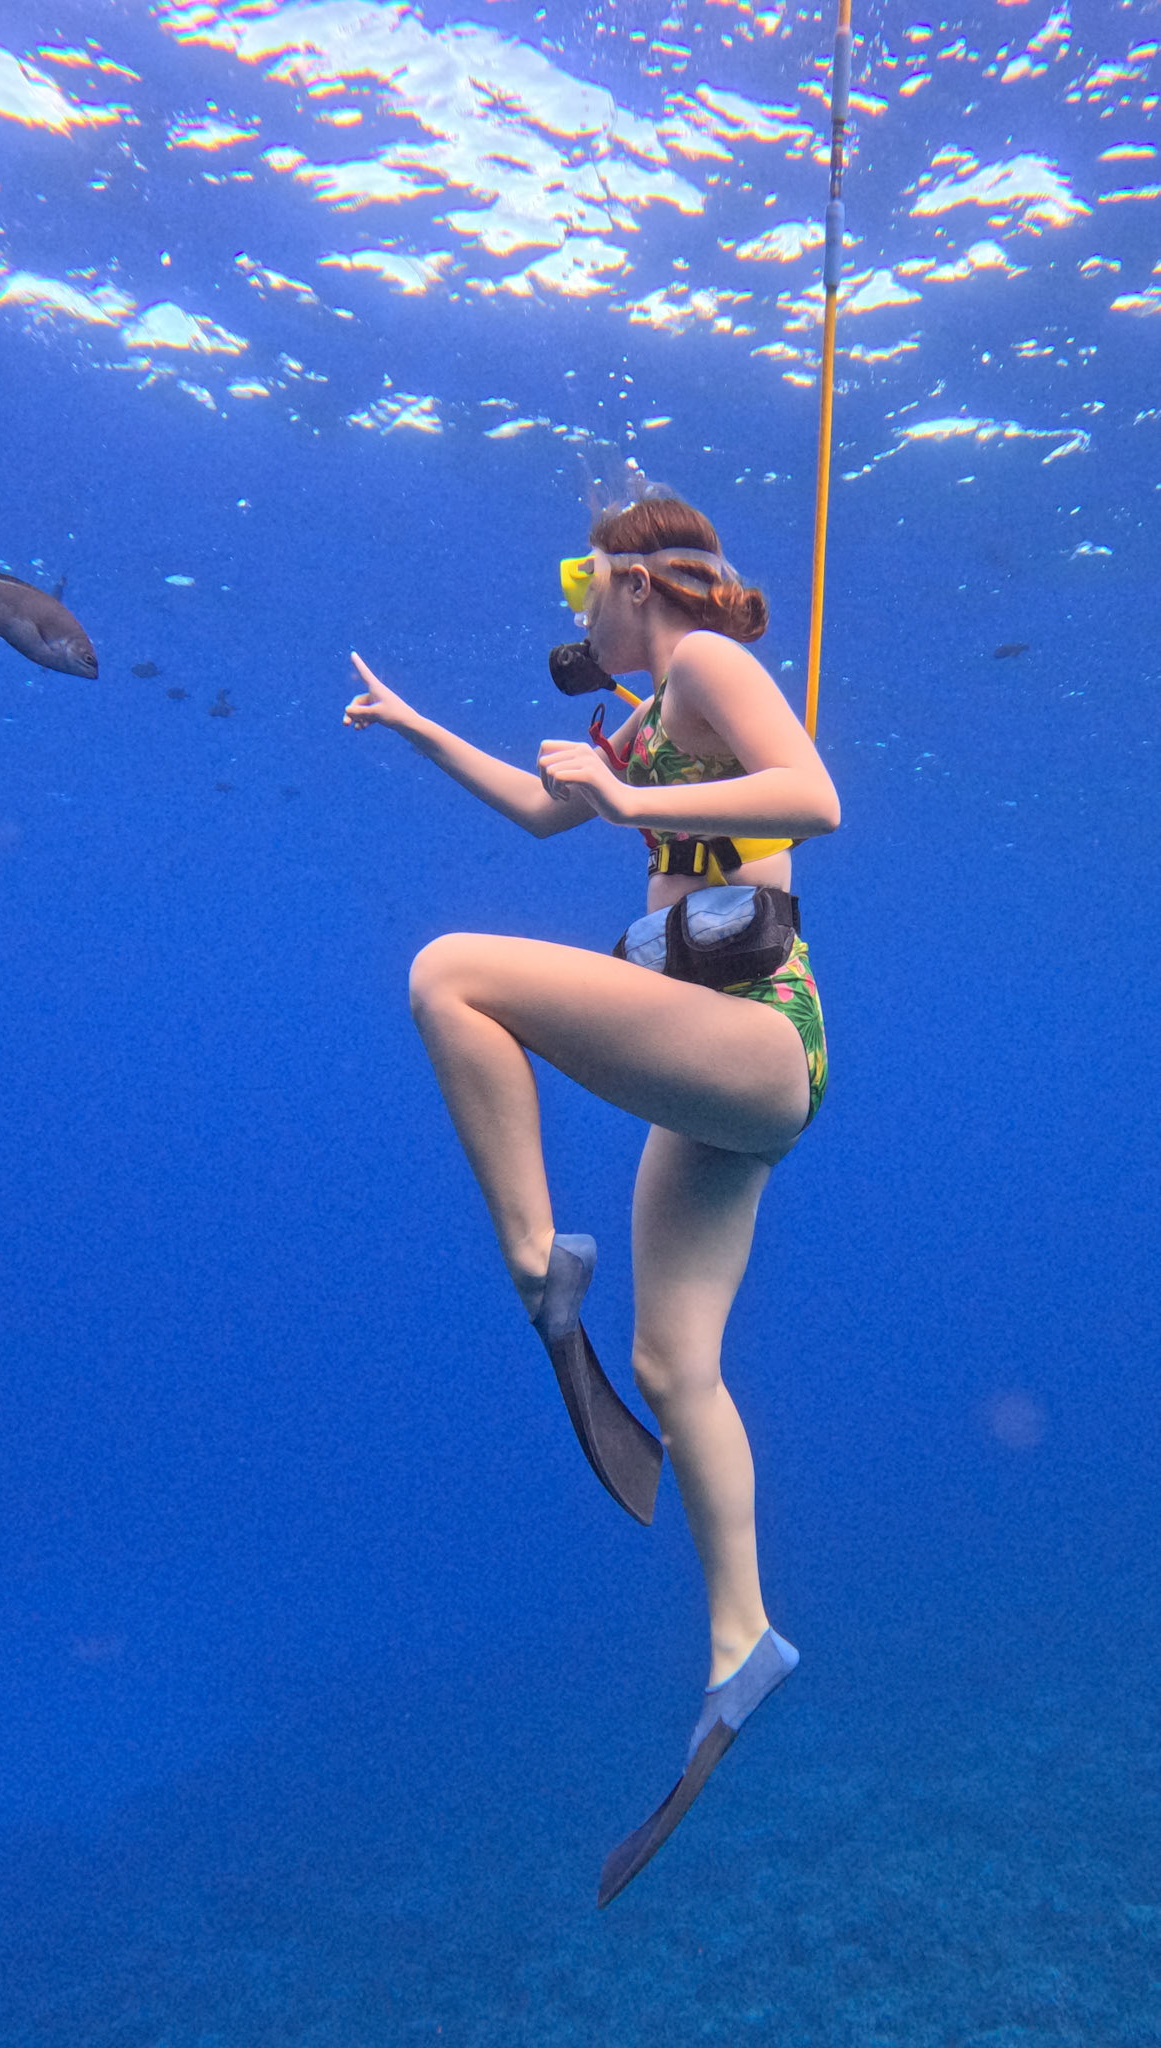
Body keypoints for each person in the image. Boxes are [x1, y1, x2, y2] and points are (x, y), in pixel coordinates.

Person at [344, 492, 840, 1904]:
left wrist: (635, 799)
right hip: (728, 1060)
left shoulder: (702, 668)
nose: (577, 609)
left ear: (635, 579)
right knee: (670, 1362)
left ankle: (529, 1255)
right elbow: (533, 804)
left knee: (449, 970)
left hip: (756, 1031)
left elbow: (813, 798)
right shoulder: (642, 713)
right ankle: (741, 1642)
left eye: (582, 580)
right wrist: (417, 724)